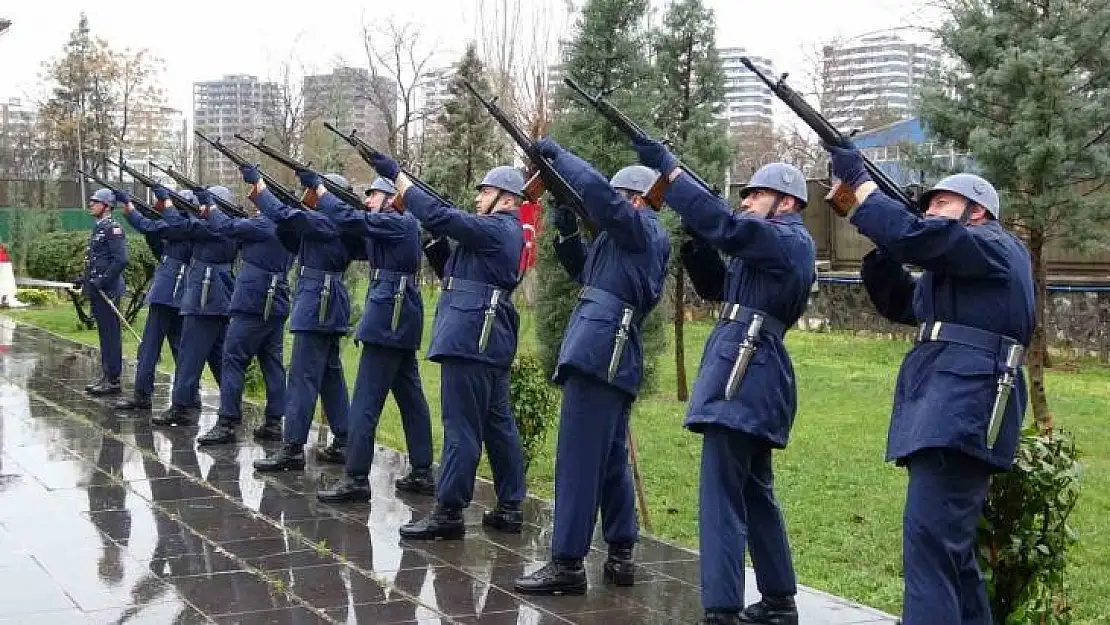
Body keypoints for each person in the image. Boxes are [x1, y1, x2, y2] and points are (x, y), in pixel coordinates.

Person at [823, 143, 1034, 625]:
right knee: (951, 558)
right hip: (949, 409)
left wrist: (863, 185)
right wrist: (886, 245)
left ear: (977, 211)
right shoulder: (961, 267)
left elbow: (920, 238)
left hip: (961, 410)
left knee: (929, 552)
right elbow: (902, 302)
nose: (930, 211)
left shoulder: (994, 245)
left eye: (941, 203)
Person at [636, 137, 816, 625]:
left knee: (720, 495)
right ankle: (779, 600)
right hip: (752, 368)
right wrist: (696, 242)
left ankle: (721, 608)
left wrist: (671, 175)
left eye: (756, 195)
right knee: (755, 490)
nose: (746, 202)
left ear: (788, 202)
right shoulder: (770, 246)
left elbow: (729, 227)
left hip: (746, 369)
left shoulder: (786, 239)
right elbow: (719, 285)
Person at [513, 139, 670, 595]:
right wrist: (564, 228)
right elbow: (588, 271)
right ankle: (621, 549)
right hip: (608, 351)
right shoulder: (625, 240)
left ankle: (567, 562)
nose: (611, 206)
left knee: (578, 458)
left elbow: (599, 196)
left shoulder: (643, 227)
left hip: (602, 351)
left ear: (635, 200)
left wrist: (561, 157)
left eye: (619, 198)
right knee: (609, 461)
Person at [364, 150, 527, 541]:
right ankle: (509, 506)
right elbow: (457, 270)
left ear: (506, 199)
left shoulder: (498, 228)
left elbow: (442, 216)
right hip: (484, 338)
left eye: (484, 191)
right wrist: (436, 243)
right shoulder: (498, 232)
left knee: (461, 428)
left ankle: (449, 510)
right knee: (496, 424)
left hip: (472, 338)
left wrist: (399, 177)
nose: (477, 197)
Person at [316, 176, 436, 502]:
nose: (368, 200)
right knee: (411, 399)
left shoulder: (401, 223)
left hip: (389, 321)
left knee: (365, 404)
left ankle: (356, 477)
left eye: (374, 195)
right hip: (395, 319)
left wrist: (322, 193)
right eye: (366, 195)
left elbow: (352, 219)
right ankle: (423, 470)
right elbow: (351, 230)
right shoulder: (389, 227)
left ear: (392, 198)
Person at [244, 166, 352, 472]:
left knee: (303, 377)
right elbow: (290, 234)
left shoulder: (326, 221)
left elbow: (285, 217)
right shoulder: (325, 222)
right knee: (330, 378)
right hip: (323, 303)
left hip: (318, 303)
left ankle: (292, 448)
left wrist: (260, 186)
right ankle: (345, 439)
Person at [194, 187, 294, 446]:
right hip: (276, 300)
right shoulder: (289, 226)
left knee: (233, 359)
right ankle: (274, 421)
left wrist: (211, 206)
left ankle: (227, 422)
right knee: (272, 363)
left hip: (253, 302)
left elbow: (226, 226)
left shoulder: (263, 224)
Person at [149, 187, 236, 427]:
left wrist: (166, 203)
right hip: (217, 298)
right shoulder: (226, 226)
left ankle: (181, 406)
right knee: (220, 358)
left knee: (189, 355)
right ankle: (231, 407)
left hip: (204, 299)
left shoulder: (212, 227)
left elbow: (182, 225)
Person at [113, 189, 192, 411]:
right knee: (179, 346)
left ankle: (142, 394)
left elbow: (149, 227)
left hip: (167, 292)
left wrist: (130, 210)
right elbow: (157, 242)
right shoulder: (192, 227)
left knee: (150, 346)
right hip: (181, 293)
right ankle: (188, 394)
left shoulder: (179, 226)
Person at [78, 188, 128, 396]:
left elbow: (121, 260)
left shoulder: (112, 228)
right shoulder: (99, 228)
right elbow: (99, 260)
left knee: (110, 334)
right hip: (99, 289)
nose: (91, 205)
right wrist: (86, 278)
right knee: (104, 334)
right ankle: (107, 374)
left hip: (108, 290)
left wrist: (103, 281)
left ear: (107, 207)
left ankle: (113, 379)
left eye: (95, 202)